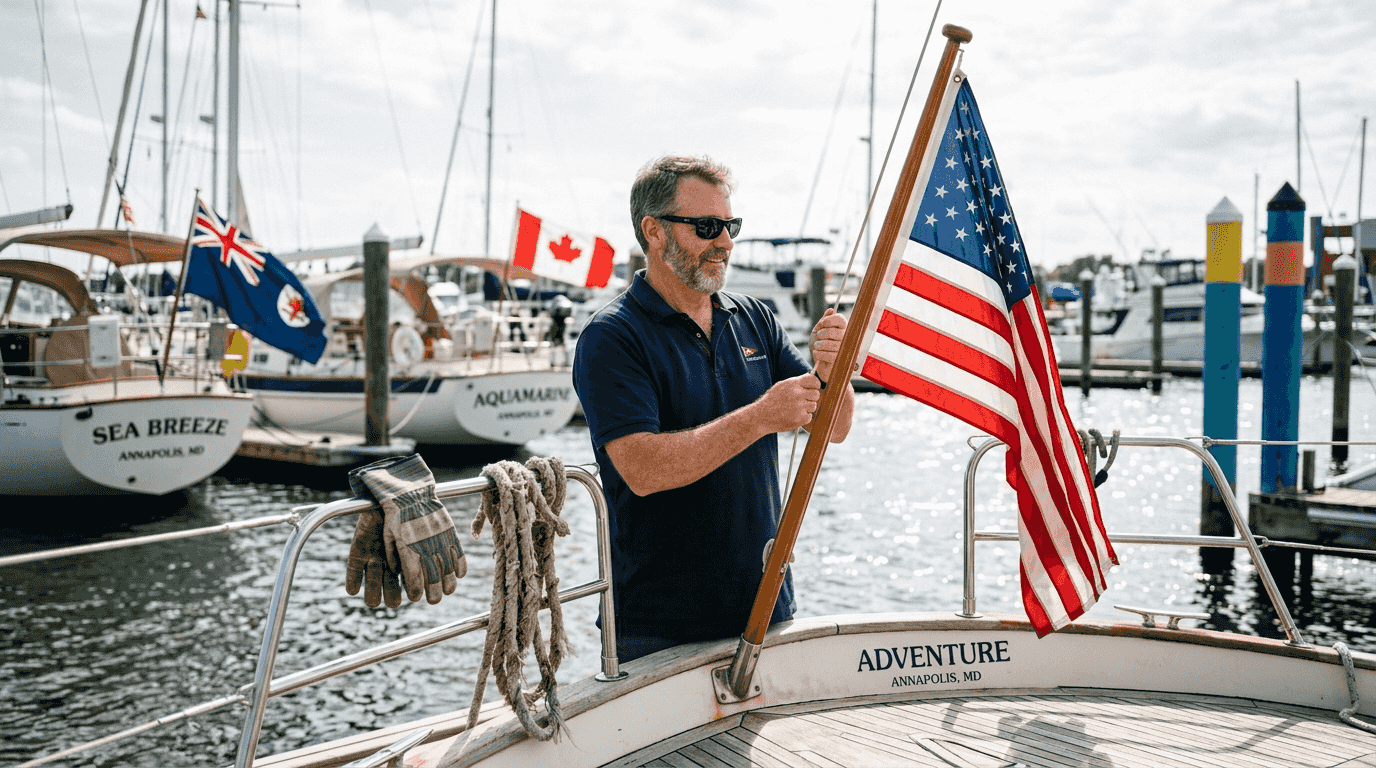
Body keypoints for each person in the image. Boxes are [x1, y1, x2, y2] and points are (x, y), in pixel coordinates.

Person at [573, 155, 855, 663]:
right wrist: (762, 417)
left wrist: (837, 372)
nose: (724, 241)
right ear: (654, 232)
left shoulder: (756, 319)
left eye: (730, 226)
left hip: (766, 611)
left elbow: (832, 427)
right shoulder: (611, 337)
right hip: (657, 630)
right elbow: (642, 469)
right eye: (707, 227)